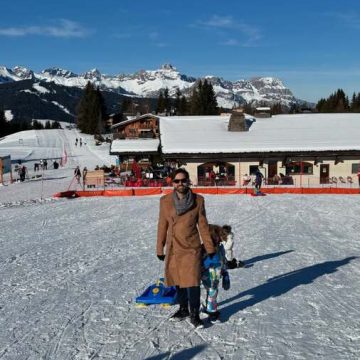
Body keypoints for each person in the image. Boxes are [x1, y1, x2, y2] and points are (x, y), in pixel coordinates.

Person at [157, 168, 216, 328]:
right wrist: (159, 248)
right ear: (172, 183)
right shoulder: (165, 201)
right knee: (178, 279)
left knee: (192, 282)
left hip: (191, 247)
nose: (180, 183)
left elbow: (203, 226)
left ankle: (194, 314)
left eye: (183, 180)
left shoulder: (198, 200)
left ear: (188, 181)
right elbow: (162, 225)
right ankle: (183, 309)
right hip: (174, 246)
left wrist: (210, 248)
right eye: (177, 181)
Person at [201, 225, 230, 322]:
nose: (221, 241)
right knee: (212, 291)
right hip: (208, 274)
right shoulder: (205, 249)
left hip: (216, 274)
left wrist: (225, 274)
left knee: (212, 292)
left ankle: (207, 307)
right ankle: (212, 312)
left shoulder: (220, 247)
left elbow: (223, 260)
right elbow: (200, 262)